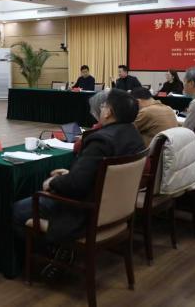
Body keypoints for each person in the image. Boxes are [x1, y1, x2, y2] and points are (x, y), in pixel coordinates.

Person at [13, 89, 144, 243]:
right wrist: (72, 174)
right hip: (116, 210)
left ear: (108, 112)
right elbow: (101, 175)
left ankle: (46, 252)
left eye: (103, 106)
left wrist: (53, 182)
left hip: (84, 213)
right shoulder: (135, 135)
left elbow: (76, 185)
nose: (101, 109)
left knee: (17, 210)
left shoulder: (101, 140)